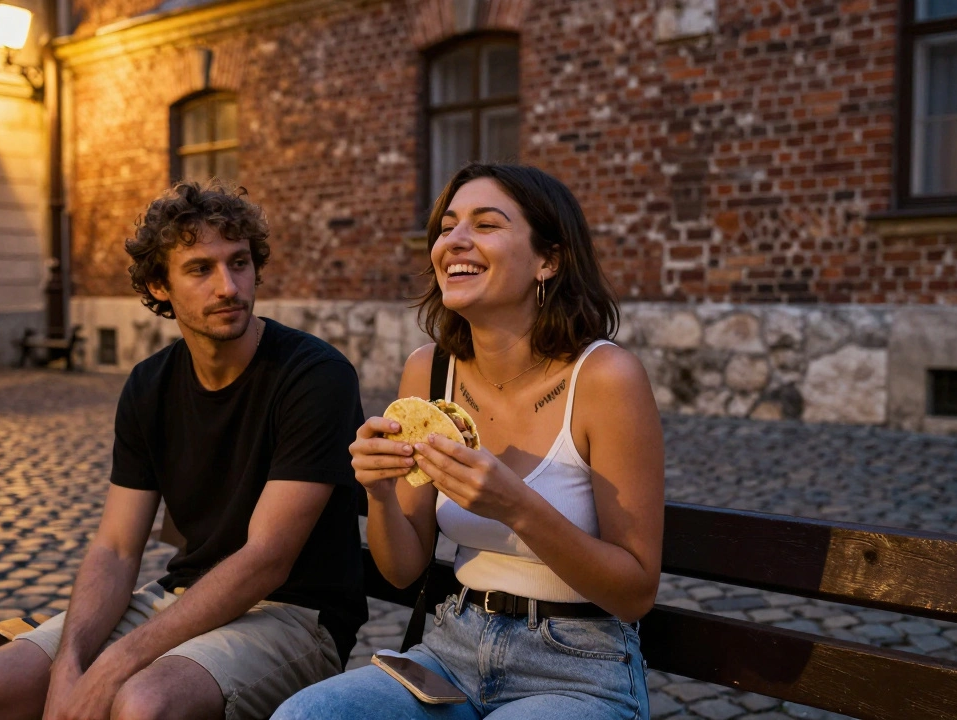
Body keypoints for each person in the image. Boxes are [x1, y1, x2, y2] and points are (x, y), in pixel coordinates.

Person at [0, 182, 367, 720]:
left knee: (143, 704)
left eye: (239, 263)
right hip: (182, 596)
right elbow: (117, 548)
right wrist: (71, 663)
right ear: (157, 285)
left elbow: (266, 561)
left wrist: (116, 664)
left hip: (294, 616)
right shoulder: (149, 385)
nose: (228, 286)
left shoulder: (313, 375)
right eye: (200, 269)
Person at [273, 163, 665, 720]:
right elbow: (404, 569)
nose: (453, 240)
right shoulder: (429, 373)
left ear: (548, 260)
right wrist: (379, 490)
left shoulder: (606, 378)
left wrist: (516, 507)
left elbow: (634, 593)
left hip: (578, 668)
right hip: (450, 650)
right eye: (448, 225)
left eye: (486, 225)